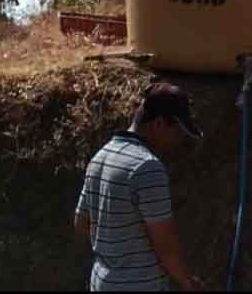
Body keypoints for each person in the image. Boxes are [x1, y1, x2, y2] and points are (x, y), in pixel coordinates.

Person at [74, 82, 205, 291]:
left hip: (101, 283)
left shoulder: (101, 157)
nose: (178, 139)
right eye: (177, 131)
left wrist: (114, 250)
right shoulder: (147, 167)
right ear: (159, 123)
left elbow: (81, 223)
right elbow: (165, 245)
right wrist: (187, 283)